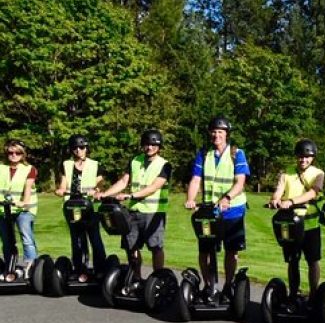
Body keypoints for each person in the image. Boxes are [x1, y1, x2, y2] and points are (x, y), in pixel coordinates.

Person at [185, 117, 249, 302]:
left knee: (231, 250)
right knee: (205, 249)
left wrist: (227, 198)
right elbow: (196, 179)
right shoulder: (204, 154)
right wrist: (190, 199)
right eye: (213, 131)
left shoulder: (237, 154)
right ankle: (209, 286)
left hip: (232, 210)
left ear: (226, 134)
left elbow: (240, 181)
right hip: (209, 210)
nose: (216, 135)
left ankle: (228, 286)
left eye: (220, 132)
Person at [96, 129, 172, 285]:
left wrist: (130, 196)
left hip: (154, 213)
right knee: (131, 246)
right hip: (134, 212)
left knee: (155, 246)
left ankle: (157, 280)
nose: (149, 147)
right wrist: (105, 194)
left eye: (153, 144)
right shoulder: (135, 161)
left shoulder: (165, 165)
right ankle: (136, 278)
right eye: (147, 144)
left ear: (159, 146)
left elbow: (154, 187)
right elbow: (123, 182)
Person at [269, 139, 324, 300]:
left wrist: (291, 201)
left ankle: (314, 294)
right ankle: (293, 294)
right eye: (301, 156)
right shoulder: (286, 173)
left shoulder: (318, 174)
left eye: (308, 157)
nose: (304, 160)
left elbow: (313, 193)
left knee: (312, 261)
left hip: (310, 225)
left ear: (312, 158)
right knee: (293, 261)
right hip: (290, 225)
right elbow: (279, 189)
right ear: (296, 157)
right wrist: (275, 199)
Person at [55, 134, 107, 281]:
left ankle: (100, 270)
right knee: (77, 240)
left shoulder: (95, 165)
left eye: (81, 147)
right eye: (75, 148)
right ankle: (80, 269)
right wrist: (60, 190)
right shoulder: (66, 164)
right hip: (73, 207)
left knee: (94, 238)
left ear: (86, 148)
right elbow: (62, 186)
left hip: (89, 207)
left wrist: (95, 190)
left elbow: (100, 185)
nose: (78, 150)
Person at [0, 139, 38, 274]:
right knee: (7, 240)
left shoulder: (29, 169)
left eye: (17, 153)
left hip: (25, 209)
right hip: (4, 210)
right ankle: (9, 268)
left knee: (26, 237)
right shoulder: (1, 168)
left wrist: (24, 201)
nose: (14, 155)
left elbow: (28, 187)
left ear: (23, 154)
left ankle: (31, 267)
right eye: (11, 152)